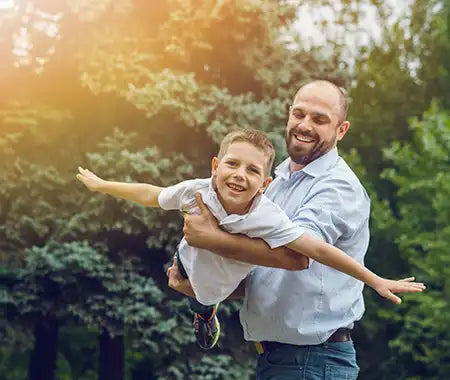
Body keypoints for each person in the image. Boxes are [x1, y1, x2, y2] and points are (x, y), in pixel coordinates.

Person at [77, 128, 423, 353]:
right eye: (232, 164)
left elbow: (316, 249)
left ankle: (205, 309)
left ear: (265, 184)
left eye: (253, 171)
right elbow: (152, 194)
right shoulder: (196, 191)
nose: (240, 175)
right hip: (187, 264)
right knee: (188, 285)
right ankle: (203, 310)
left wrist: (374, 279)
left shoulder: (266, 216)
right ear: (215, 166)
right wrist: (104, 184)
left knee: (205, 297)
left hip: (224, 283)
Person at [167, 80, 424, 378]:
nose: (304, 125)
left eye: (319, 119)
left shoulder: (336, 186)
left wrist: (211, 239)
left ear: (341, 130)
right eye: (298, 114)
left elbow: (296, 257)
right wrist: (203, 289)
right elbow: (263, 278)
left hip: (312, 361)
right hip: (278, 360)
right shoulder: (277, 181)